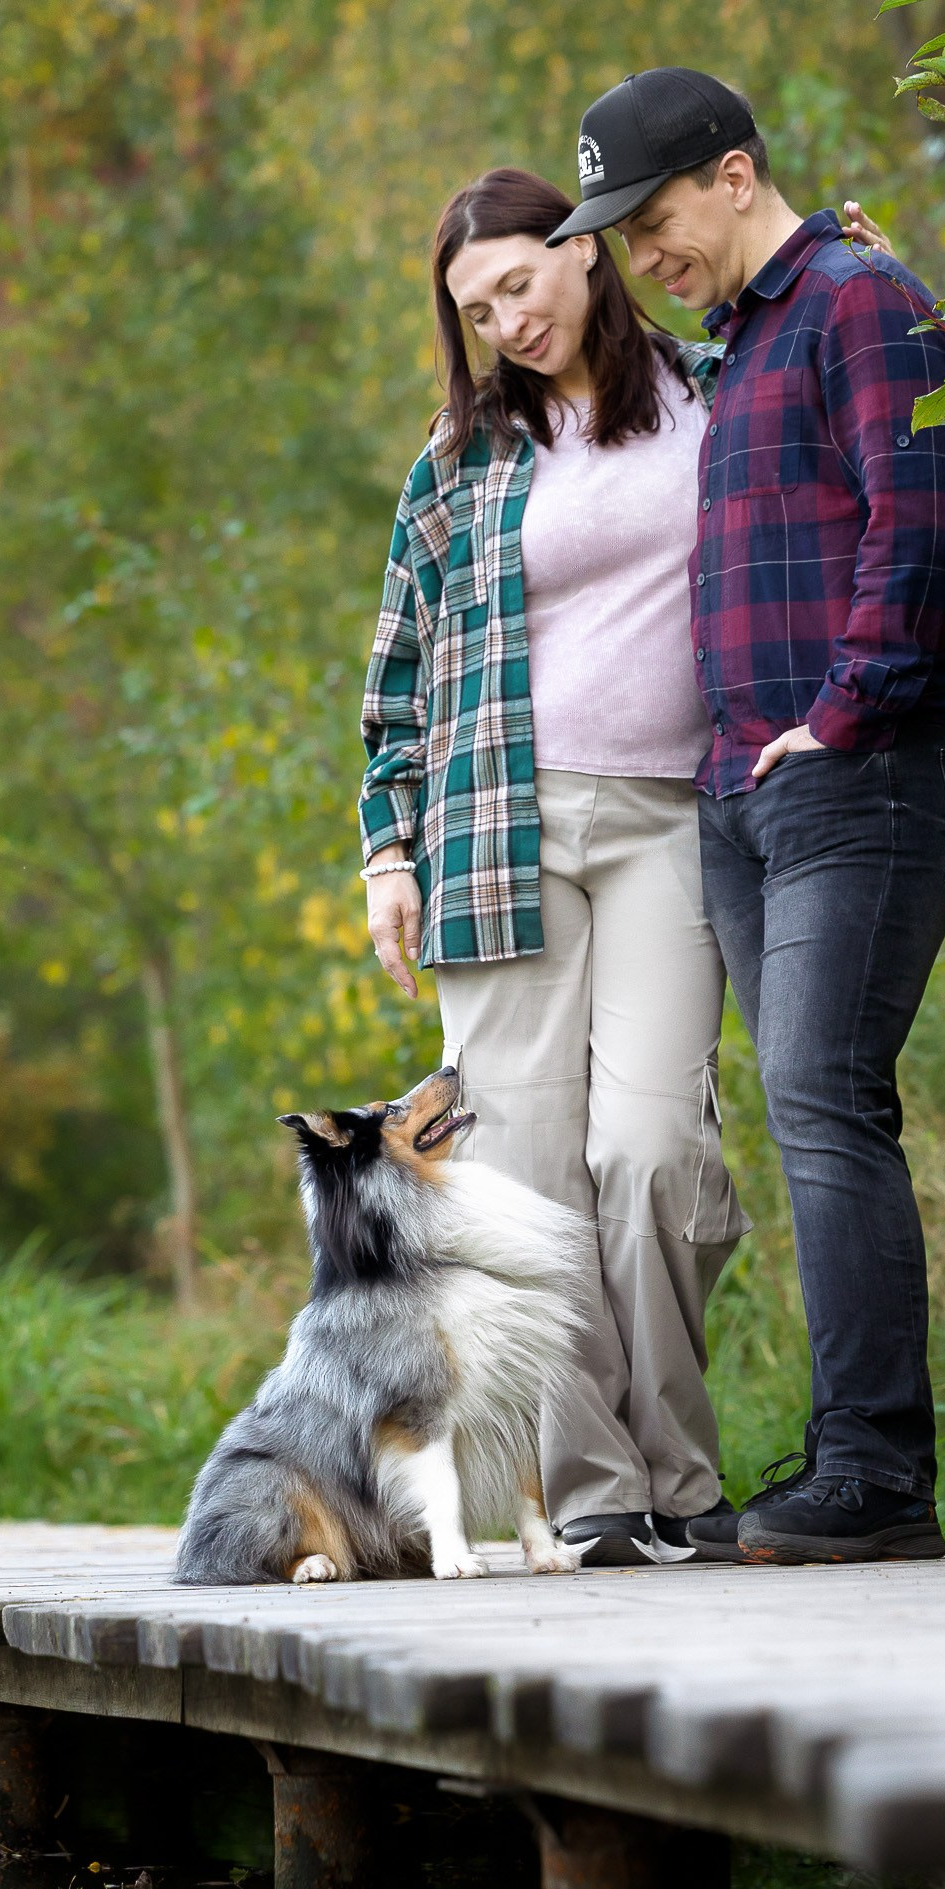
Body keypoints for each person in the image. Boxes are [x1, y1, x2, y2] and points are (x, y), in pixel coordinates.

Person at [548, 66, 945, 1567]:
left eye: (656, 217)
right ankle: (850, 1460)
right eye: (620, 234)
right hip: (757, 790)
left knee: (821, 1101)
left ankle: (877, 1475)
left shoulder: (864, 302)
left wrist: (845, 715)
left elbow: (917, 529)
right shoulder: (740, 343)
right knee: (811, 1112)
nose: (639, 254)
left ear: (736, 175)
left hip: (868, 768)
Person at [356, 166, 744, 1568]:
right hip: (488, 834)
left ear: (580, 256)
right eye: (474, 309)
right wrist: (383, 848)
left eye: (517, 282)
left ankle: (684, 1480)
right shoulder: (456, 459)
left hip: (670, 822)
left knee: (652, 1153)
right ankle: (596, 1498)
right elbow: (396, 671)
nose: (505, 320)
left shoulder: (717, 392)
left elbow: (858, 389)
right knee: (525, 1178)